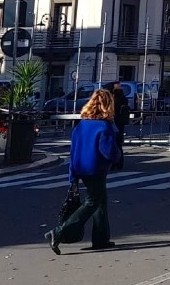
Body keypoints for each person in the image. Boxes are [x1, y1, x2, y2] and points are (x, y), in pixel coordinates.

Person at [45, 89, 122, 254]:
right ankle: (58, 232)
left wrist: (72, 174)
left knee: (100, 202)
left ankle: (101, 239)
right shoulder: (104, 126)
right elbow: (108, 151)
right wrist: (118, 155)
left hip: (80, 167)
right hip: (96, 169)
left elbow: (73, 150)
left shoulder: (81, 125)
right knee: (93, 202)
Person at [109, 81, 129, 171]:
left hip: (115, 122)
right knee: (118, 144)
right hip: (120, 123)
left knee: (115, 143)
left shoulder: (115, 98)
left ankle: (115, 162)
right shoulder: (123, 98)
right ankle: (118, 162)